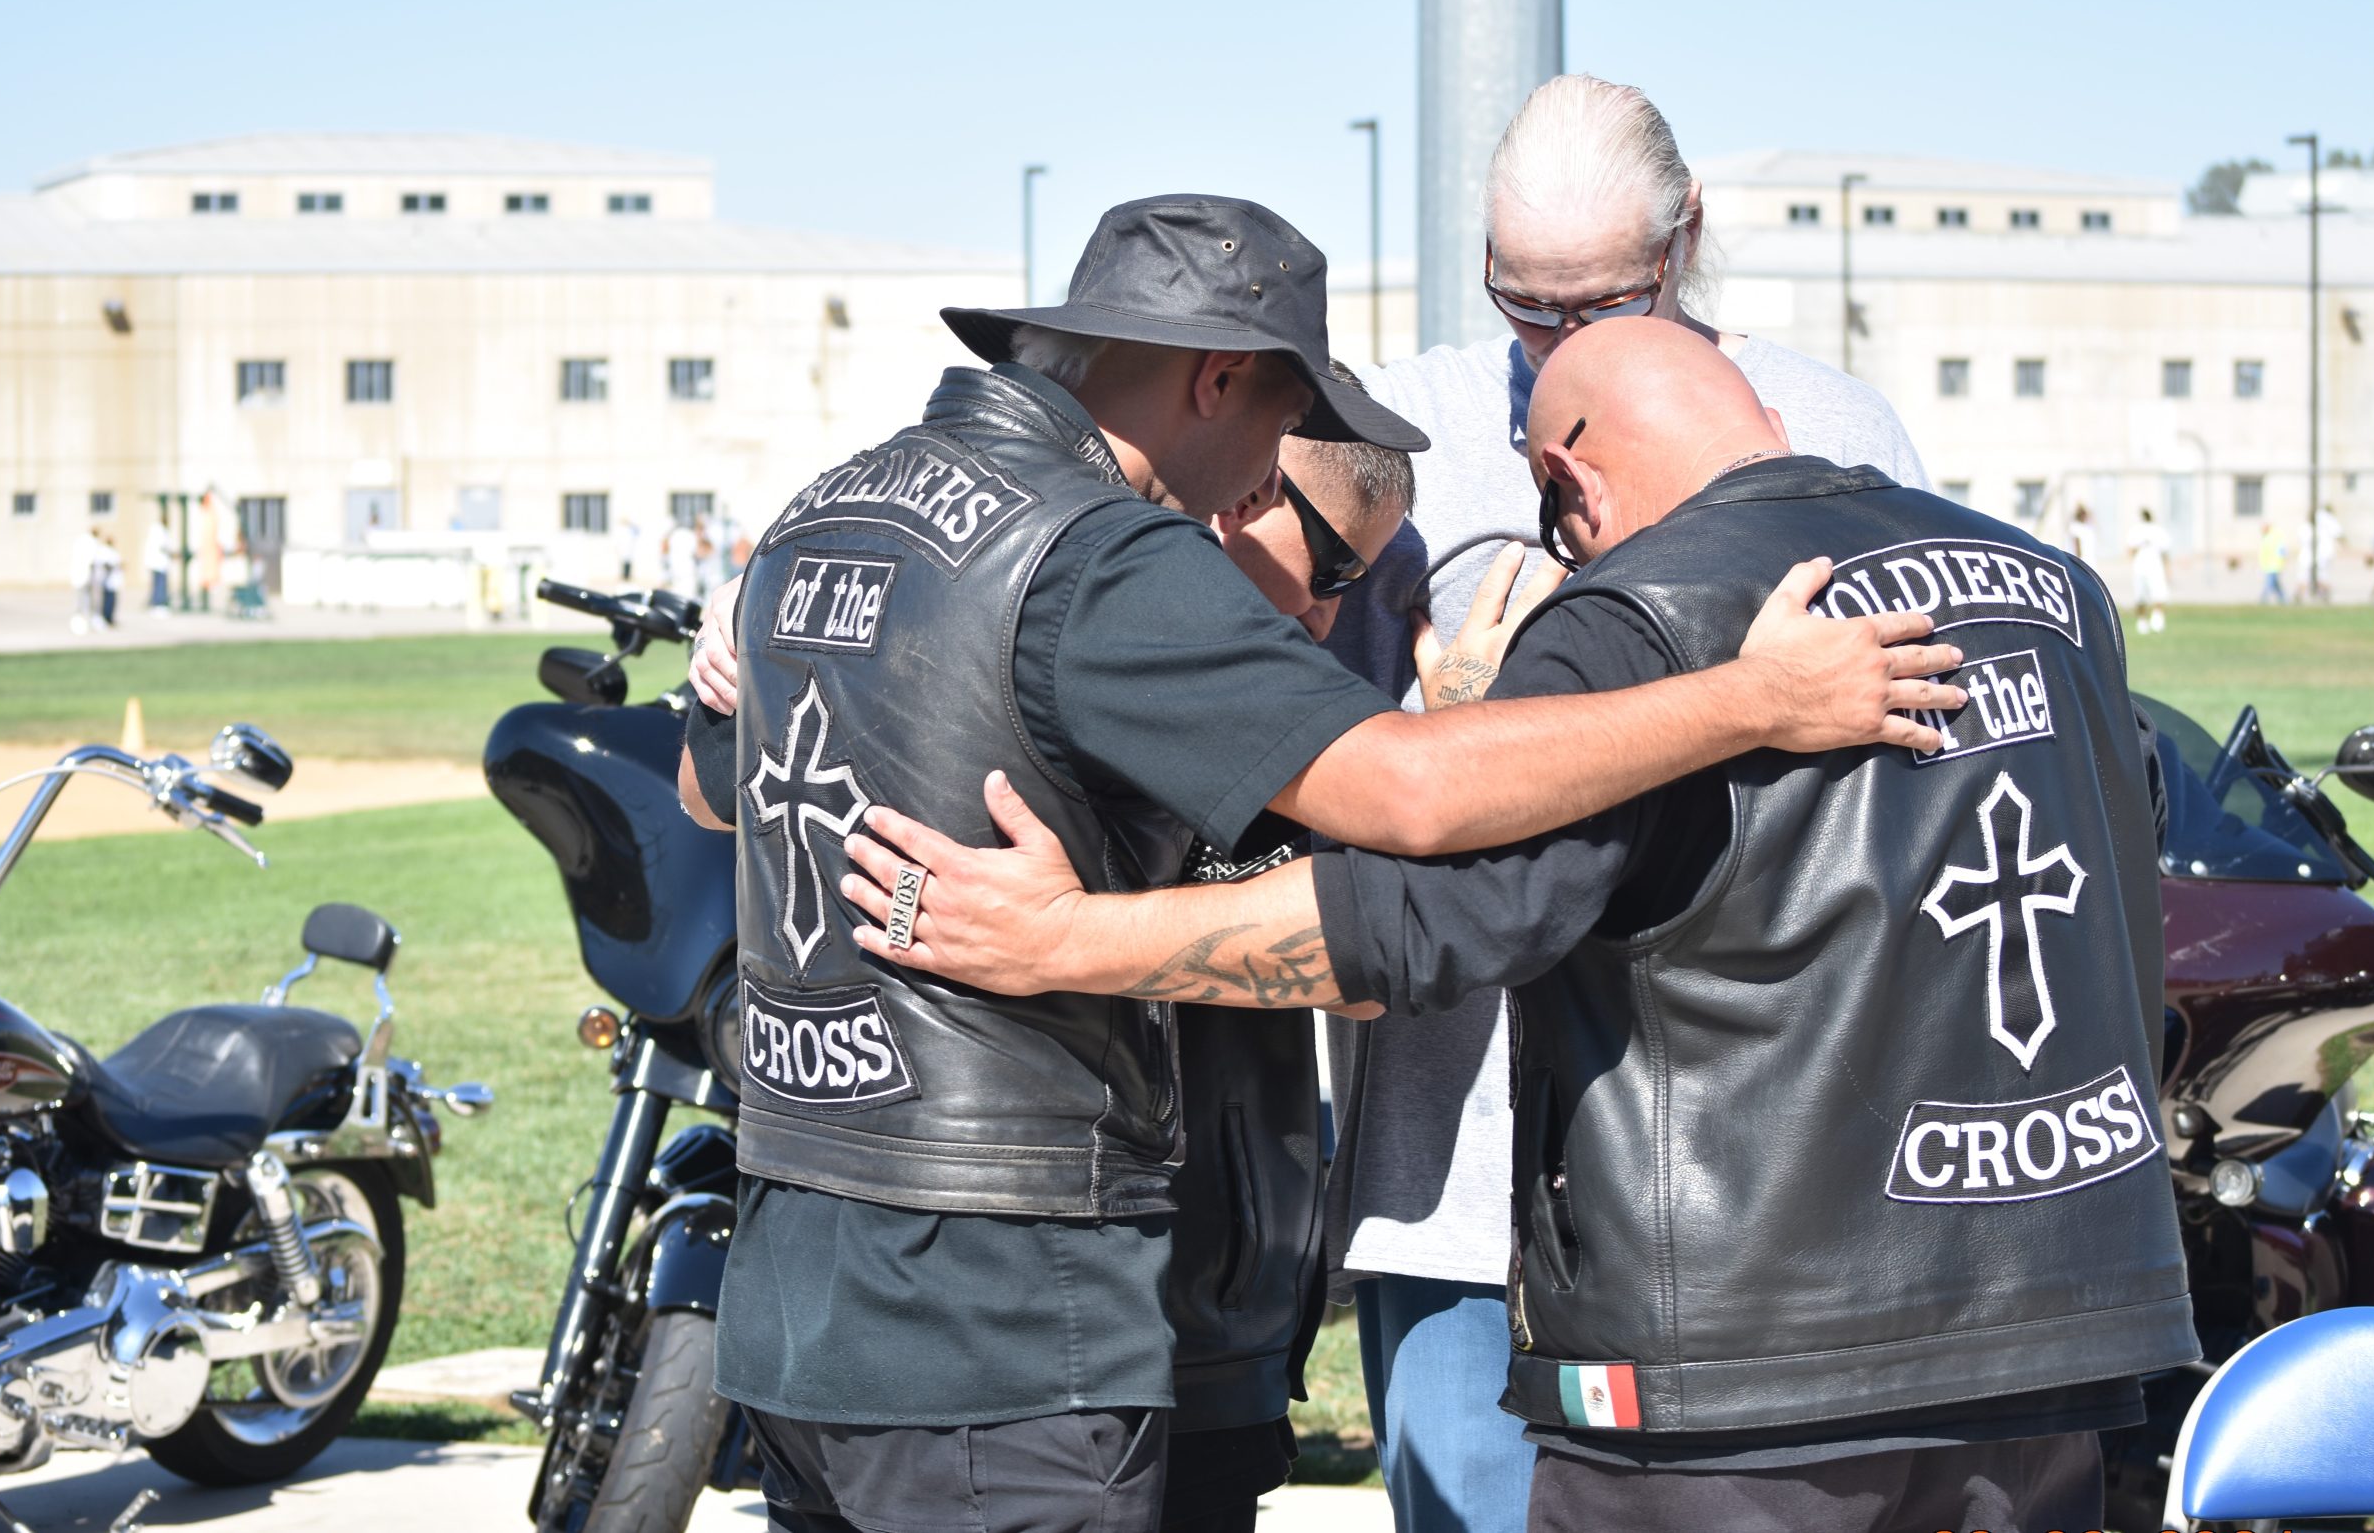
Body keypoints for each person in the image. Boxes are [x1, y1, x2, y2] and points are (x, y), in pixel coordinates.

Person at [673, 197, 1964, 1533]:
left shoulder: (829, 507)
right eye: (1286, 420)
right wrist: (1749, 700)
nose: (1264, 472)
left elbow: (706, 780)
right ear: (1217, 373)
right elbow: (1407, 798)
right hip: (995, 1315)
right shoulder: (1102, 553)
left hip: (796, 1297)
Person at [840, 318, 2196, 1533]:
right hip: (2059, 1337)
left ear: (1571, 488)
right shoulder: (2061, 593)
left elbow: (1417, 925)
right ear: (1763, 423)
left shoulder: (1633, 618)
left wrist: (1060, 937)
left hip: (1742, 1376)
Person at [1313, 73, 1934, 1533]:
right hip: (1471, 1187)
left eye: (1599, 305)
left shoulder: (1838, 424)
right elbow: (1293, 761)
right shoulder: (1399, 433)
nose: (1557, 348)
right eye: (1521, 305)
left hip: (1773, 1185)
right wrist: (1437, 723)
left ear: (1687, 242)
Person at [2127, 506, 2170, 634]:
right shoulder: (2138, 531)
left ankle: (2150, 622)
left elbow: (2129, 551)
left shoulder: (2157, 531)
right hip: (2146, 568)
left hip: (2149, 568)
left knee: (2154, 595)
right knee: (2144, 596)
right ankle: (2148, 622)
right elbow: (2131, 550)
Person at [146, 513, 176, 615]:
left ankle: (157, 603)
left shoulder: (159, 530)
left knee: (158, 584)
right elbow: (163, 546)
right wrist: (172, 553)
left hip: (159, 563)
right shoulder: (159, 531)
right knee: (160, 584)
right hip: (159, 563)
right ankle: (158, 605)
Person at [2256, 521, 2290, 605]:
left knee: (2269, 583)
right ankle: (2284, 599)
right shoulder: (2266, 537)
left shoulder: (2274, 538)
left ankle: (2263, 599)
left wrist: (2283, 561)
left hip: (2274, 565)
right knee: (2276, 584)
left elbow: (2282, 551)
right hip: (2269, 565)